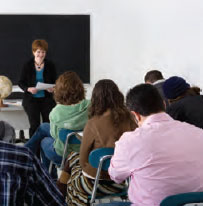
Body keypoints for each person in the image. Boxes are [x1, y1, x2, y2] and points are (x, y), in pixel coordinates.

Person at [108, 83, 203, 206]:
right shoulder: (198, 133)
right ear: (164, 104)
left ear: (135, 115)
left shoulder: (130, 141)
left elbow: (116, 176)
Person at [57, 79, 137, 206]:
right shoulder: (131, 119)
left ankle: (60, 194)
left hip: (96, 185)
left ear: (96, 99)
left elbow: (83, 161)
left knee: (73, 173)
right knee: (72, 156)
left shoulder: (93, 123)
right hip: (125, 183)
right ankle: (59, 189)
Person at [25, 71, 90, 175]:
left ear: (59, 90)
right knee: (43, 127)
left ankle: (50, 177)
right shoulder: (90, 106)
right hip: (85, 152)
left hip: (64, 156)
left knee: (44, 141)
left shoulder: (56, 112)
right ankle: (26, 149)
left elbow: (55, 136)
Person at [0, 140, 66, 206]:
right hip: (64, 151)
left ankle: (29, 147)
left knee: (42, 138)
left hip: (62, 150)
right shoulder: (24, 157)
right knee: (42, 139)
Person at [18, 39, 56, 138]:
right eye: (38, 51)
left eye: (43, 52)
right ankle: (34, 150)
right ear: (34, 52)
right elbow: (20, 82)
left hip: (47, 99)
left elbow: (56, 82)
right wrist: (28, 89)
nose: (41, 54)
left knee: (48, 124)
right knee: (34, 125)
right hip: (31, 100)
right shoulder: (27, 65)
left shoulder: (50, 65)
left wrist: (52, 88)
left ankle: (46, 147)